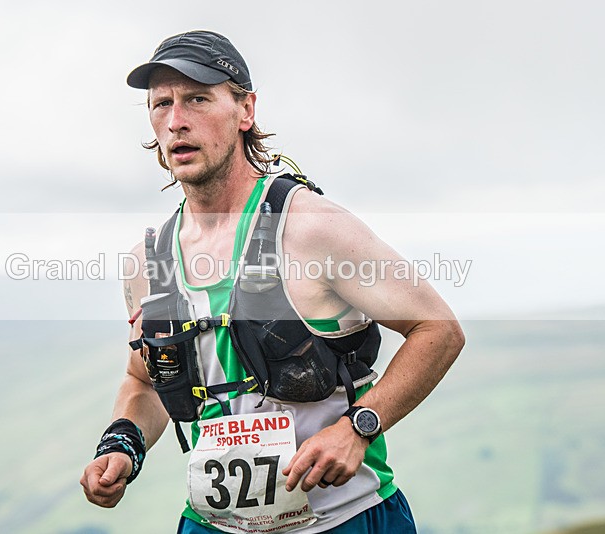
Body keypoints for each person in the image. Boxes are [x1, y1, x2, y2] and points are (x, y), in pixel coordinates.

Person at [80, 30, 465, 533]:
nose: (176, 121)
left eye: (198, 98)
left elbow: (438, 330)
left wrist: (358, 428)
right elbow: (144, 381)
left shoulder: (310, 228)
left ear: (246, 110)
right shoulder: (147, 264)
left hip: (345, 518)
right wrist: (121, 445)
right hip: (211, 523)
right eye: (161, 104)